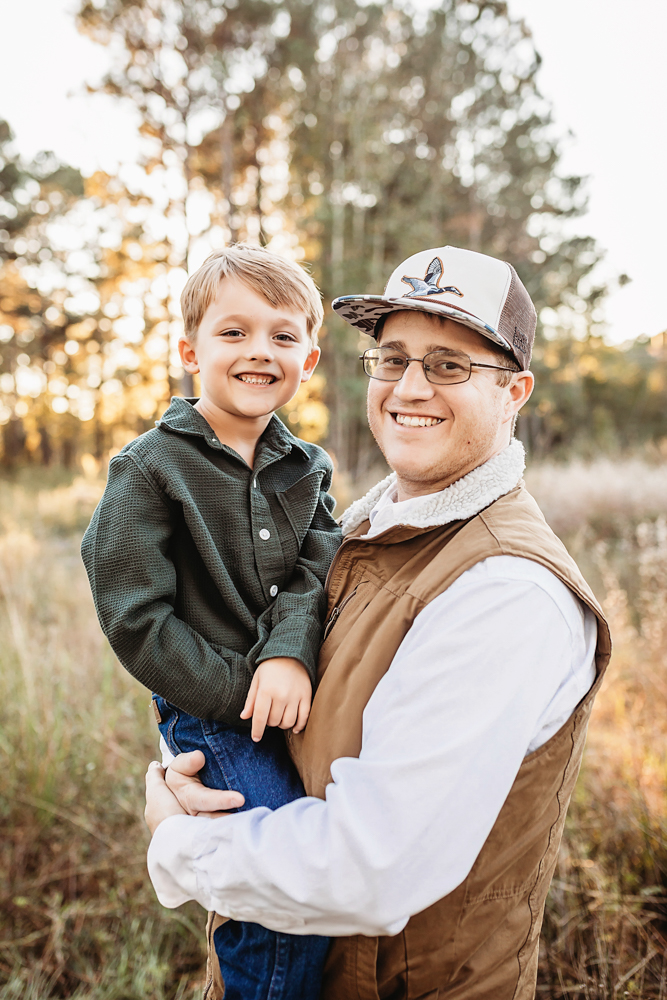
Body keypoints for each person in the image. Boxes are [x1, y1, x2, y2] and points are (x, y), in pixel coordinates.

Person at [144, 245, 612, 1000]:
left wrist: (178, 839)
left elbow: (372, 868)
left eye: (450, 365)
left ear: (514, 392)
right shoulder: (360, 528)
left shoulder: (506, 591)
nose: (409, 388)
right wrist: (188, 775)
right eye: (392, 359)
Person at [81, 244, 342, 1000]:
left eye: (282, 335)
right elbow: (134, 618)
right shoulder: (149, 468)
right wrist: (241, 693)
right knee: (278, 882)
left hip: (287, 697)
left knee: (307, 863)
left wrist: (287, 655)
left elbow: (317, 569)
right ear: (191, 349)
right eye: (235, 332)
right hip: (211, 712)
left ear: (310, 358)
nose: (260, 350)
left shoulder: (309, 468)